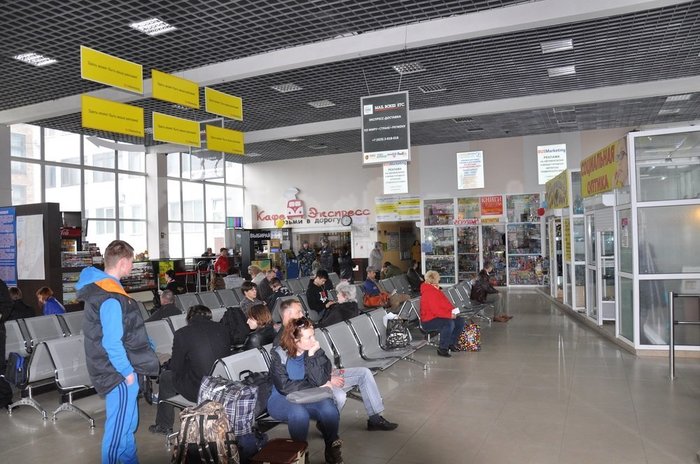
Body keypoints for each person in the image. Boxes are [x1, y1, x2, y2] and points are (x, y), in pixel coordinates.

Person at [76, 239, 160, 463]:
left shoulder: (106, 289)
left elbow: (126, 331)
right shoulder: (109, 296)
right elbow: (112, 342)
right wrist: (127, 373)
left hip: (117, 370)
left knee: (127, 426)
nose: (132, 266)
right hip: (117, 374)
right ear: (122, 262)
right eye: (131, 262)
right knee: (117, 432)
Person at [276, 300, 398, 432]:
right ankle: (325, 422)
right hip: (313, 383)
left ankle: (375, 419)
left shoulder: (303, 330)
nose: (302, 314)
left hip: (324, 374)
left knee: (364, 373)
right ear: (287, 315)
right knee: (339, 395)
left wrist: (329, 372)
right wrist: (327, 379)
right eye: (298, 312)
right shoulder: (282, 341)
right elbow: (299, 374)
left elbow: (323, 359)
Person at [267, 317, 343, 464]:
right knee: (299, 413)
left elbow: (320, 380)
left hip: (308, 395)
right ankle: (301, 454)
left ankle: (332, 448)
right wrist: (313, 385)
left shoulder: (315, 350)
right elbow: (284, 386)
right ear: (295, 340)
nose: (314, 340)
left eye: (313, 335)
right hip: (282, 398)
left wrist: (312, 356)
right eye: (309, 337)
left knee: (329, 409)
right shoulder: (279, 355)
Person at [149, 305, 231, 434]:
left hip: (199, 389)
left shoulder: (182, 333)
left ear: (189, 318)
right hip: (222, 385)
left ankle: (164, 425)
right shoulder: (223, 329)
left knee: (166, 377)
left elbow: (176, 366)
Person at [420, 270, 467, 357]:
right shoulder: (429, 292)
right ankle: (442, 348)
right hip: (428, 321)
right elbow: (435, 310)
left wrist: (453, 311)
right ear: (434, 279)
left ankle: (451, 343)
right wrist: (449, 315)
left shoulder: (435, 289)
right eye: (438, 278)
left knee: (460, 321)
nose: (439, 279)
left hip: (437, 317)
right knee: (448, 323)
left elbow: (446, 304)